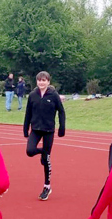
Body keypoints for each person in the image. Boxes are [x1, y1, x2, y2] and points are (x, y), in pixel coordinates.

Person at [23, 71, 65, 201]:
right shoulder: (32, 95)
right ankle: (44, 153)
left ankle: (47, 186)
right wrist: (25, 128)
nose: (42, 82)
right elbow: (28, 113)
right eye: (39, 80)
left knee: (46, 160)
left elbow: (61, 112)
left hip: (48, 130)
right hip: (35, 129)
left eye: (44, 80)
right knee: (30, 151)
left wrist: (62, 127)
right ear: (37, 81)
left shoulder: (53, 95)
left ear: (48, 82)